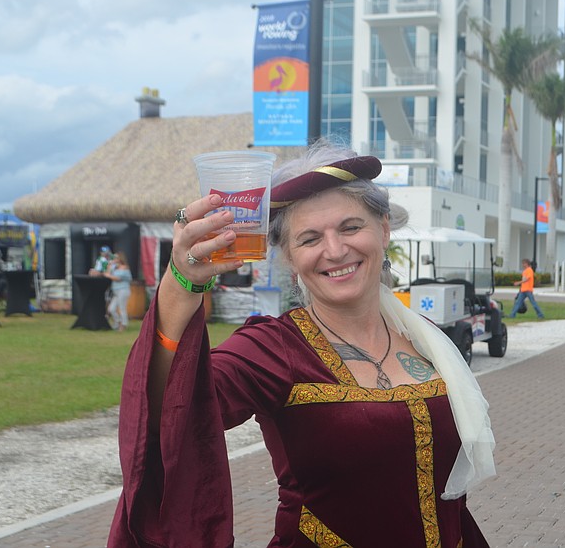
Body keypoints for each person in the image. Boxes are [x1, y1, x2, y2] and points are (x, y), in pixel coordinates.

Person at [107, 142, 496, 547]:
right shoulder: (273, 349)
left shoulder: (425, 337)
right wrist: (180, 281)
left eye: (350, 227)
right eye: (310, 239)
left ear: (382, 230)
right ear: (289, 258)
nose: (335, 250)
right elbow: (168, 407)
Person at [104, 251, 132, 331]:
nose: (114, 259)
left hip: (123, 290)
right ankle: (117, 322)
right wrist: (109, 267)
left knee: (122, 308)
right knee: (111, 309)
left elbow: (118, 278)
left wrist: (109, 276)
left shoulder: (124, 267)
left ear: (120, 259)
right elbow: (107, 273)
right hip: (116, 291)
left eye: (116, 258)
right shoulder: (114, 268)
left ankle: (124, 324)